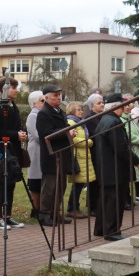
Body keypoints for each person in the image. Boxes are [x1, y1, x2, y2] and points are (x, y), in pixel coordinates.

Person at [94, 94, 139, 241]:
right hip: (115, 168)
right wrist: (135, 159)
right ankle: (112, 231)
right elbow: (121, 147)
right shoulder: (113, 122)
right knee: (114, 200)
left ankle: (101, 228)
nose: (124, 108)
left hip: (106, 166)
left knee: (106, 199)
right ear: (114, 106)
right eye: (122, 105)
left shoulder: (105, 120)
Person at [0, 77, 26, 230]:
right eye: (13, 87)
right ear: (4, 89)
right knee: (1, 184)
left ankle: (8, 216)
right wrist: (15, 135)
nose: (16, 90)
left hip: (13, 149)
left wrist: (22, 132)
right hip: (1, 150)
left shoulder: (13, 106)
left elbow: (16, 125)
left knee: (11, 183)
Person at [36, 83, 75, 227]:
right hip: (51, 156)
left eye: (59, 95)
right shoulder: (44, 113)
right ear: (46, 98)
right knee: (50, 187)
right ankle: (45, 214)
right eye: (55, 95)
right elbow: (47, 134)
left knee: (61, 186)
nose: (59, 98)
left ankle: (55, 212)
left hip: (62, 154)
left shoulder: (59, 111)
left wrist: (69, 131)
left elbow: (62, 128)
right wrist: (67, 132)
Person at [65, 101, 93, 218]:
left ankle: (75, 207)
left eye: (81, 110)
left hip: (83, 155)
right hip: (78, 156)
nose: (81, 112)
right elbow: (74, 139)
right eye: (78, 110)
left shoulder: (80, 123)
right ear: (72, 111)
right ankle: (72, 208)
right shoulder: (71, 122)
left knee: (80, 183)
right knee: (77, 184)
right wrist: (89, 142)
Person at [25, 91, 45, 220]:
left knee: (41, 180)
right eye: (42, 101)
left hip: (42, 151)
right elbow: (37, 135)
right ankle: (36, 209)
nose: (44, 103)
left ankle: (41, 208)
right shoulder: (33, 116)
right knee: (35, 181)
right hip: (36, 151)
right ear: (34, 103)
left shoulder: (41, 115)